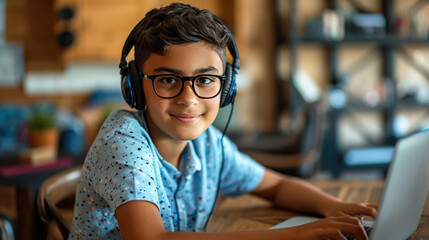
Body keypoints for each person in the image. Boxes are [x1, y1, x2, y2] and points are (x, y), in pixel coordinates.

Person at [69, 3, 377, 239]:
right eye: (167, 80)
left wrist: (332, 206)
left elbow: (278, 185)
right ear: (136, 86)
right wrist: (291, 234)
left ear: (226, 87)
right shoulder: (123, 144)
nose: (188, 98)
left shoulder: (207, 146)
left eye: (205, 79)